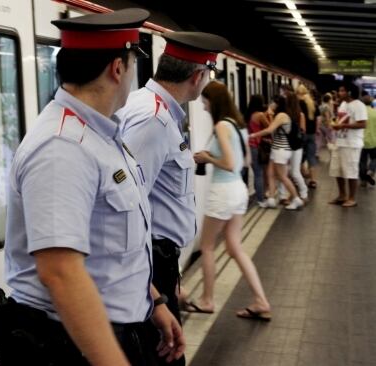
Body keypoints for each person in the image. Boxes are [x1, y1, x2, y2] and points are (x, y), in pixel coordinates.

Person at [0, 9, 184, 366]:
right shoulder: (62, 147)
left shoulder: (101, 135)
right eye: (133, 64)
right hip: (68, 345)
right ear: (118, 68)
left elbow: (109, 250)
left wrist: (153, 303)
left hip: (110, 329)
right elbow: (60, 271)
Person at [116, 30, 228, 366]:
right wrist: (152, 290)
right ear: (197, 77)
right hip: (149, 264)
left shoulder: (153, 109)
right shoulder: (152, 119)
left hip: (159, 265)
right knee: (163, 356)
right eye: (207, 75)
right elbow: (125, 206)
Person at [190, 81, 271, 320]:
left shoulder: (222, 126)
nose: (203, 107)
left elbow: (230, 163)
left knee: (206, 247)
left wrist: (207, 158)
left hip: (223, 192)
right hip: (238, 190)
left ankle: (206, 300)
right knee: (235, 248)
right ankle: (261, 300)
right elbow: (244, 162)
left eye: (205, 102)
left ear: (213, 101)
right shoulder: (238, 125)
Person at [250, 94, 305, 210]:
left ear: (278, 104)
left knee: (282, 177)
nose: (271, 104)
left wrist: (253, 135)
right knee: (270, 174)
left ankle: (296, 199)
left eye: (273, 102)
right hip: (277, 149)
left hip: (281, 150)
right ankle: (270, 199)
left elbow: (270, 129)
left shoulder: (282, 115)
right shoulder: (280, 115)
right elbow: (274, 129)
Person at [329, 83, 367, 207]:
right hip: (339, 142)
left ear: (349, 92)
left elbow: (362, 124)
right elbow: (340, 119)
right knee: (337, 171)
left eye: (342, 91)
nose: (339, 93)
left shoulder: (359, 105)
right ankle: (342, 195)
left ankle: (351, 198)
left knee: (351, 171)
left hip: (352, 144)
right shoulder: (343, 104)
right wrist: (335, 125)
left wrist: (343, 126)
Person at [246, 95, 271, 205]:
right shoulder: (260, 115)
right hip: (256, 146)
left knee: (256, 172)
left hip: (248, 146)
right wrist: (269, 115)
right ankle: (260, 199)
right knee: (259, 173)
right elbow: (269, 127)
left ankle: (258, 195)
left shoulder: (247, 115)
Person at [296, 84, 319, 188]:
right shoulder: (313, 103)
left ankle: (301, 177)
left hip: (302, 133)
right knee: (311, 156)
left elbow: (299, 118)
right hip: (312, 134)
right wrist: (316, 129)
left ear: (298, 93)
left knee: (299, 156)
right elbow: (318, 118)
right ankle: (313, 180)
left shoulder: (299, 103)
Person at [359, 92, 376, 187]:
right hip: (374, 140)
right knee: (374, 158)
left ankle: (363, 181)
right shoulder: (375, 113)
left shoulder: (360, 113)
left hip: (361, 141)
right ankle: (371, 171)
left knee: (362, 161)